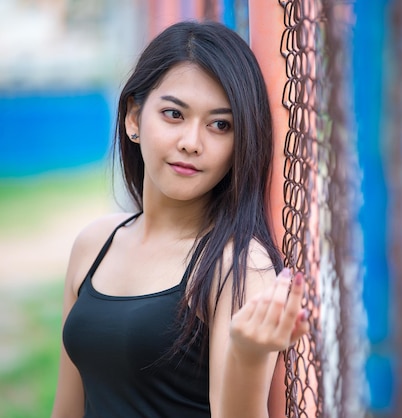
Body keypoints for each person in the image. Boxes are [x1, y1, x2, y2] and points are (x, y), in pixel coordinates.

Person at [51, 20, 309, 418]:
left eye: (220, 125)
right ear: (134, 119)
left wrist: (249, 356)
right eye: (174, 114)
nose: (192, 142)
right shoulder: (94, 244)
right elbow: (67, 409)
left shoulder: (239, 265)